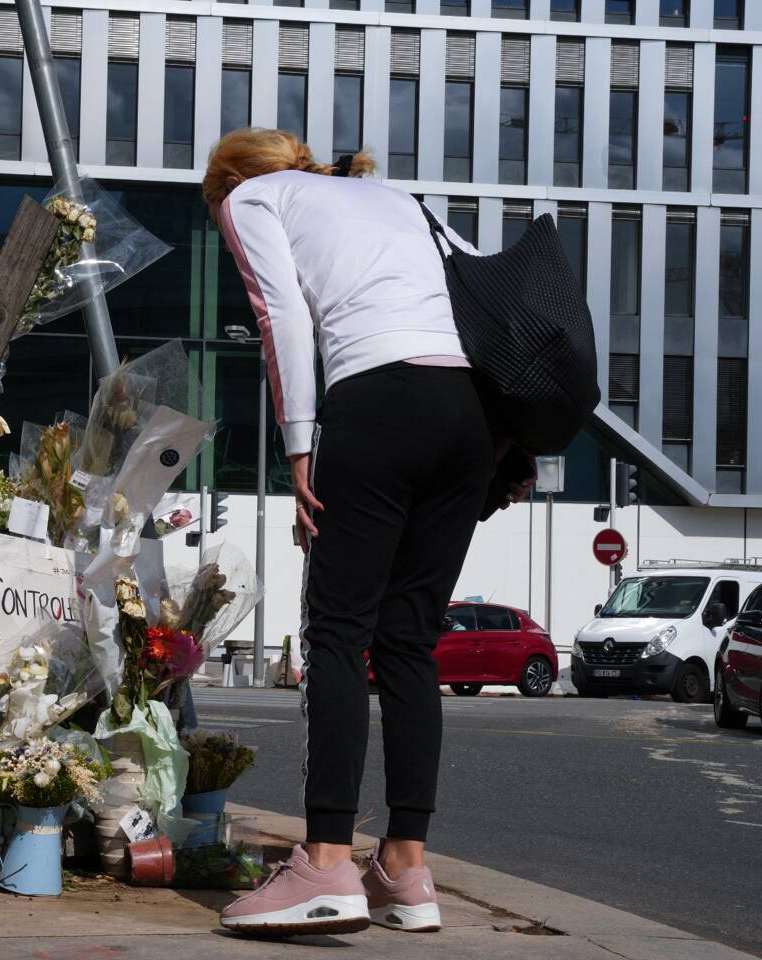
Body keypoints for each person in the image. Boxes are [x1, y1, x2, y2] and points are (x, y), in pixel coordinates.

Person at [202, 128, 531, 937]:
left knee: (338, 633)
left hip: (376, 402)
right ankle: (406, 870)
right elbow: (487, 295)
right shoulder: (398, 199)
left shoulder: (249, 199)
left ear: (227, 184)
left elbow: (281, 315)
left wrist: (300, 449)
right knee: (410, 642)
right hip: (465, 417)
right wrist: (510, 441)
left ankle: (323, 863)